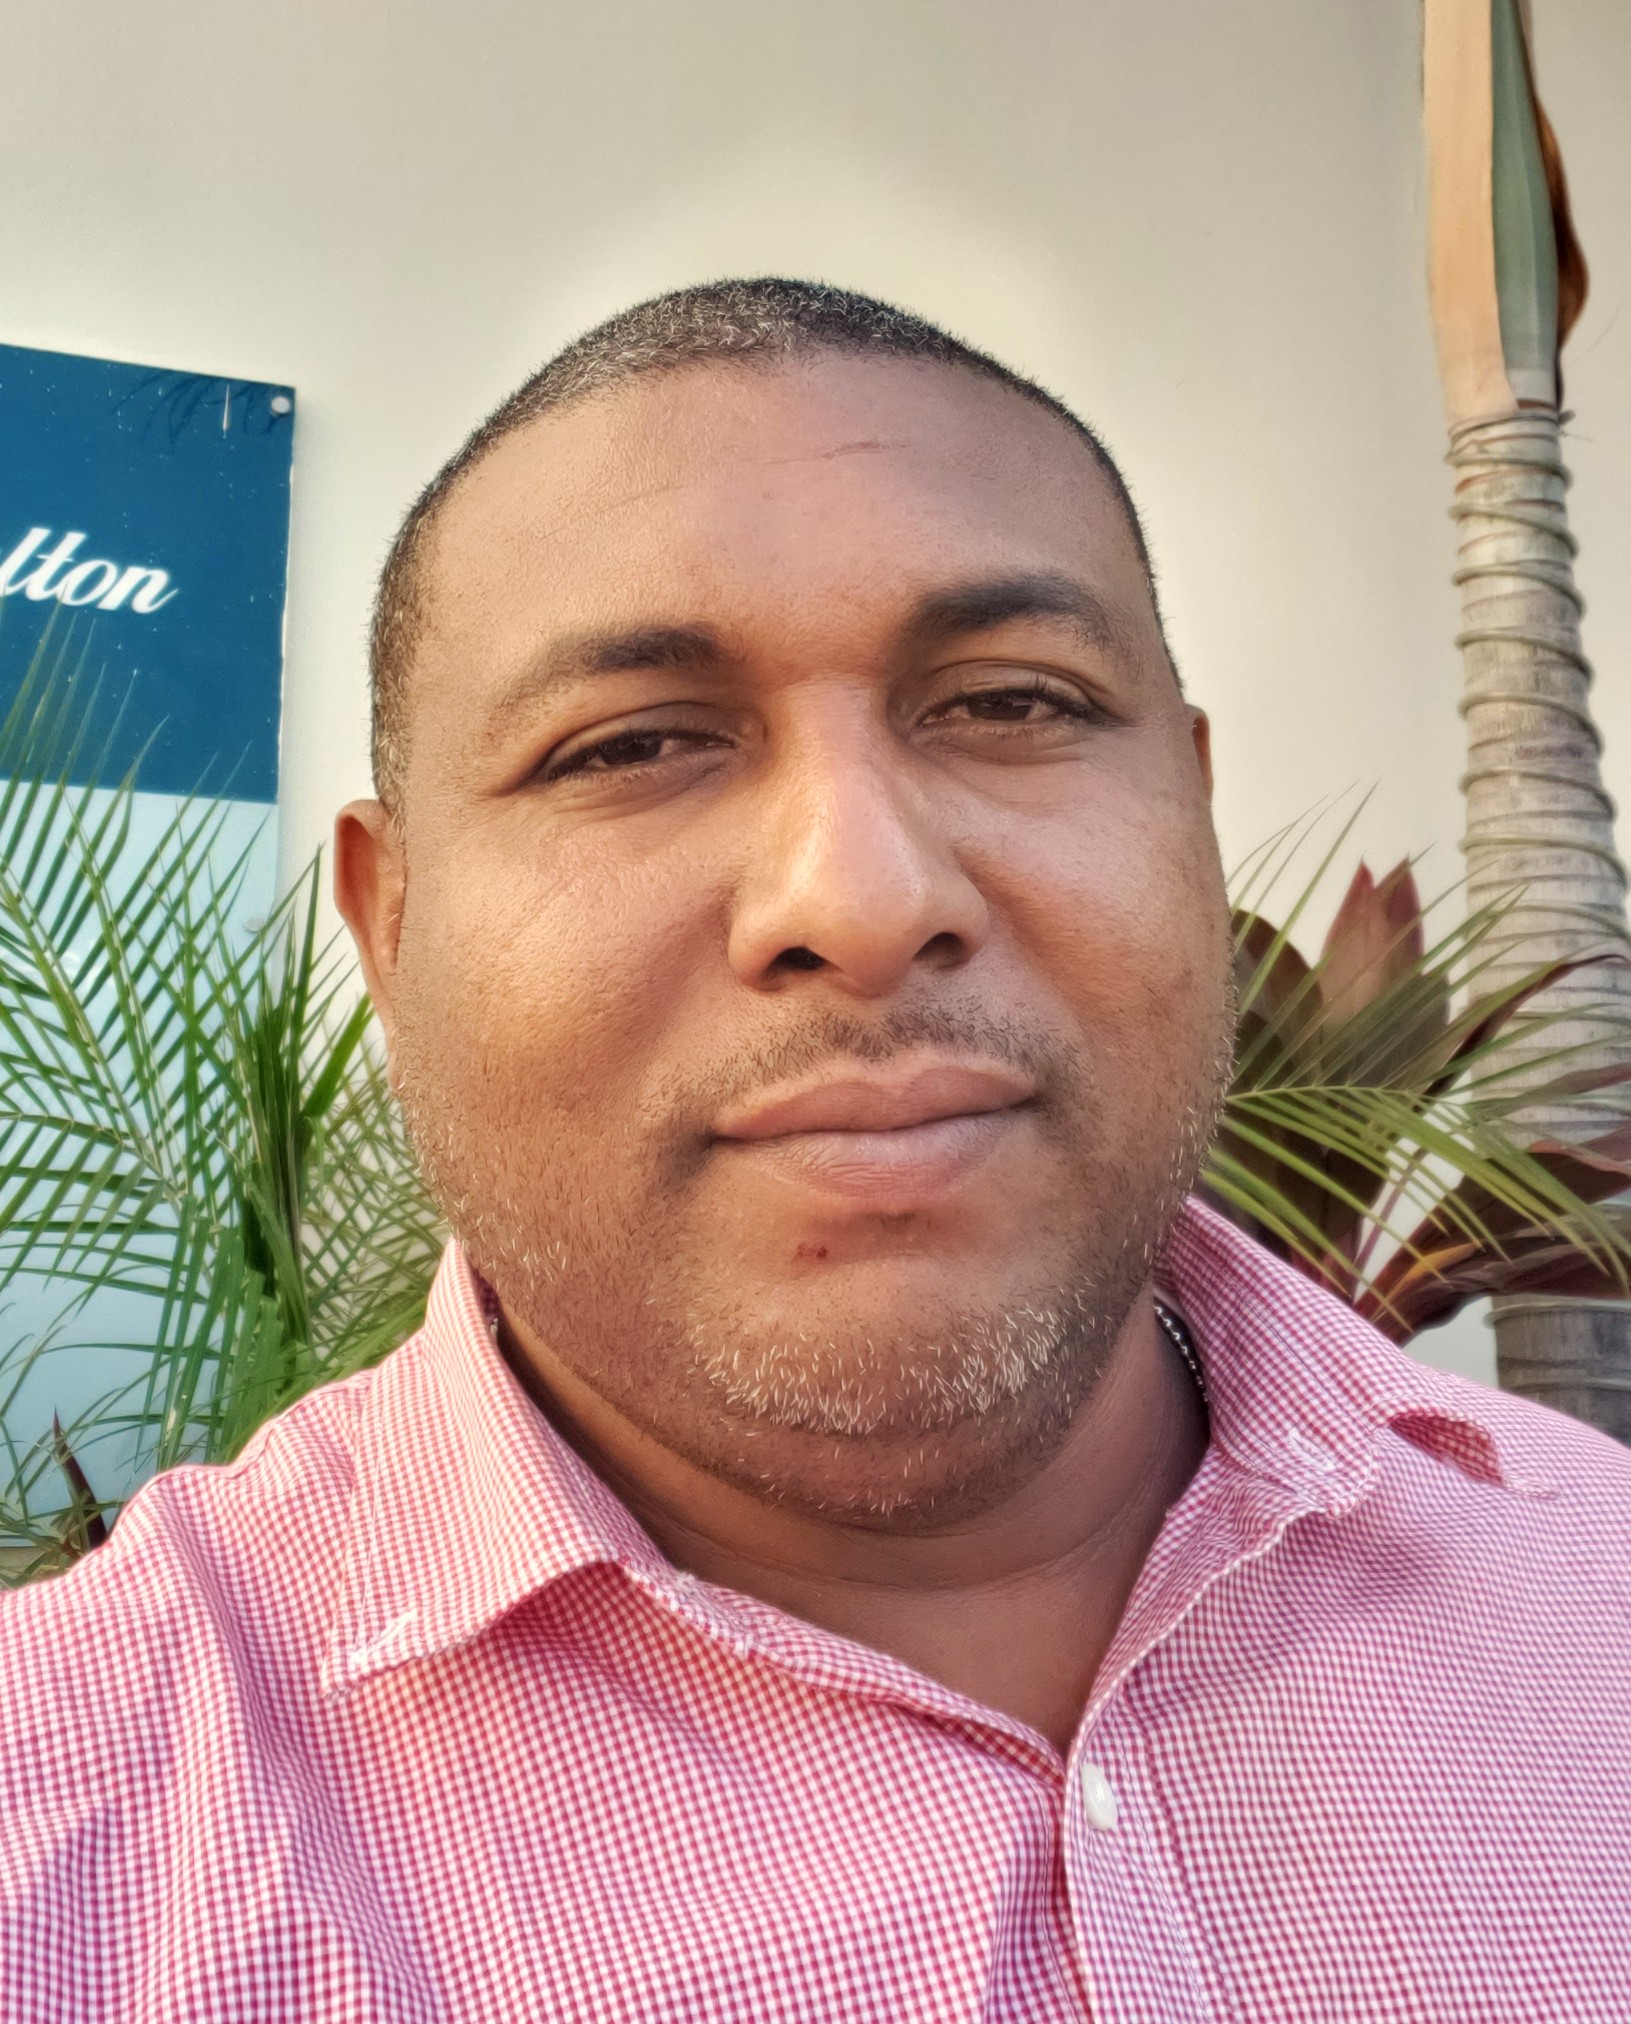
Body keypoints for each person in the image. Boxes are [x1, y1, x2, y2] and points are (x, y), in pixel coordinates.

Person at [3, 278, 1629, 2023]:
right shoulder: (64, 1843)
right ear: (392, 929)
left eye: (1011, 704)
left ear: (1194, 815)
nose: (861, 898)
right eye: (633, 745)